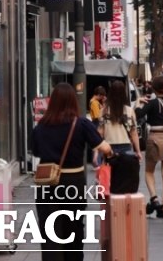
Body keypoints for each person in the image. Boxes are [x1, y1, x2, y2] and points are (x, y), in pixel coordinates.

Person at [31, 82, 113, 260]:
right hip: (73, 183)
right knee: (74, 229)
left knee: (49, 231)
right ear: (73, 102)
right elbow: (104, 147)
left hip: (47, 183)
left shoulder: (41, 127)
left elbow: (36, 151)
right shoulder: (81, 124)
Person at [135, 76, 163, 218]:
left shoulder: (151, 102)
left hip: (155, 136)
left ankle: (154, 198)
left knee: (149, 171)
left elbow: (138, 115)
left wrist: (138, 102)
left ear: (153, 88)